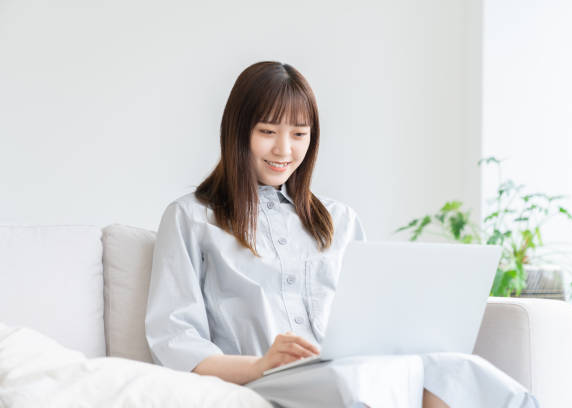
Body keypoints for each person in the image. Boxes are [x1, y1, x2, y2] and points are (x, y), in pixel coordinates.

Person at [144, 61, 539, 407]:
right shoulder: (192, 218)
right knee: (358, 382)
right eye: (267, 131)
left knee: (458, 371)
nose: (284, 149)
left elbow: (372, 318)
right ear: (238, 131)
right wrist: (262, 364)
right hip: (268, 379)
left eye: (299, 134)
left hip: (353, 368)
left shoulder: (340, 220)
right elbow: (176, 343)